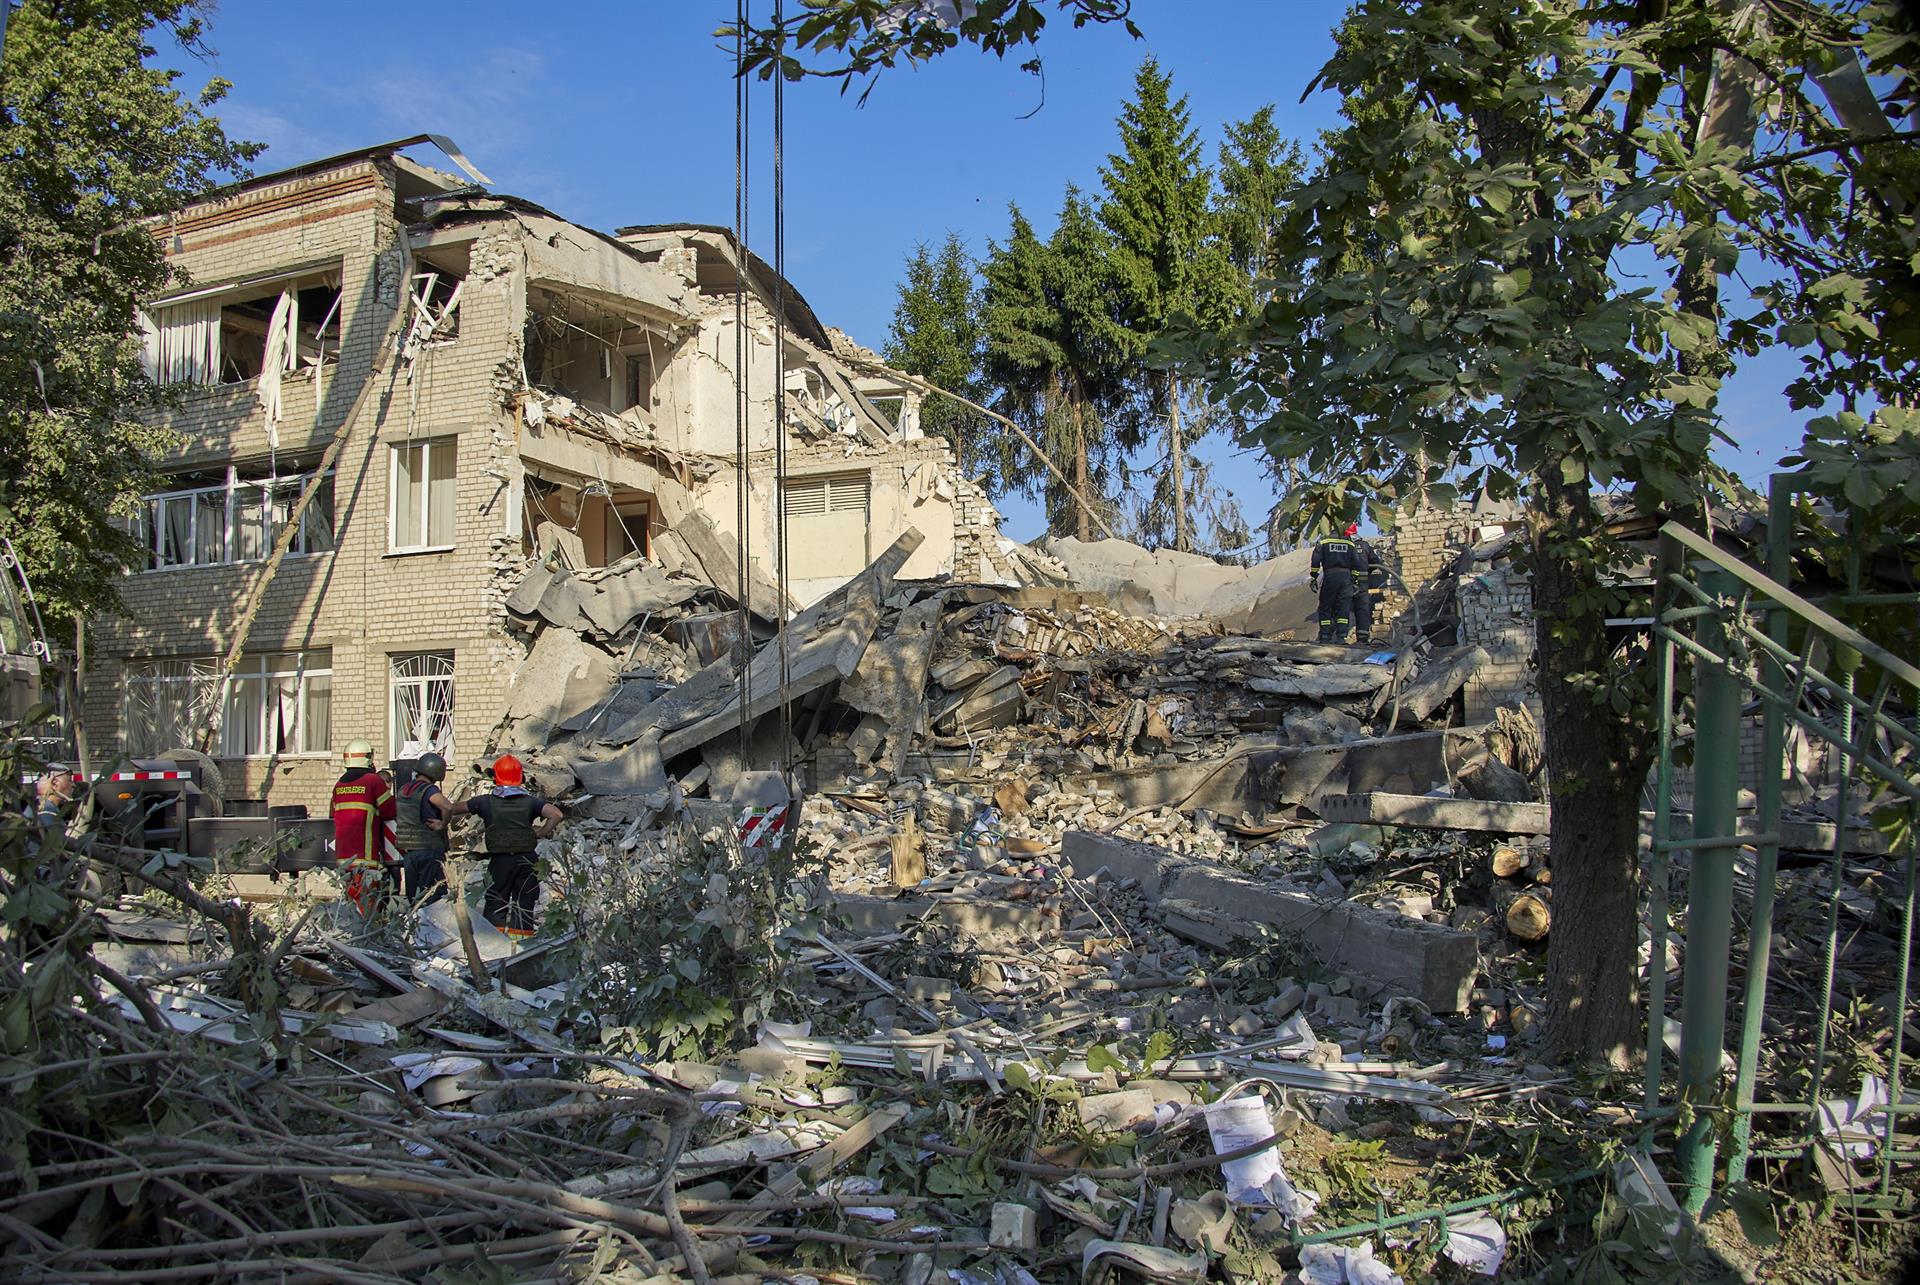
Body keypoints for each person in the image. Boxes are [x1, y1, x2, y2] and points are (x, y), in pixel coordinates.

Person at [466, 754, 563, 940]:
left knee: (496, 902)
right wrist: (541, 832)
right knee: (524, 904)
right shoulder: (531, 802)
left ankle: (492, 945)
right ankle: (521, 948)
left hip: (500, 862)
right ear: (521, 778)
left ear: (495, 777)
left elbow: (453, 808)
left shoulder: (484, 802)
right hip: (527, 860)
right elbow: (556, 814)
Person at [330, 739, 397, 917]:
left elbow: (332, 814)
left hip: (343, 857)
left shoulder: (339, 785)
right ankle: (369, 937)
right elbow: (390, 810)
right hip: (365, 856)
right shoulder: (373, 781)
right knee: (368, 904)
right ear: (367, 758)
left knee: (351, 901)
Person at [395, 752, 465, 905]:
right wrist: (442, 824)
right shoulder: (428, 790)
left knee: (415, 899)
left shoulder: (404, 790)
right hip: (429, 849)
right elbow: (447, 807)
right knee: (432, 897)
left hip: (409, 852)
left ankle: (416, 928)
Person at [1309, 522, 1362, 644]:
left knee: (1326, 606)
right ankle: (1341, 636)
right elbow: (1356, 563)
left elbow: (1315, 560)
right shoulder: (1350, 543)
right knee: (1343, 607)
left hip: (1330, 577)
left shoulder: (1323, 542)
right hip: (1346, 578)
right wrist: (1355, 580)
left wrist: (1313, 577)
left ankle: (1325, 636)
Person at [1355, 538, 1389, 644]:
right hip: (1363, 582)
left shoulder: (1345, 545)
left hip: (1346, 581)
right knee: (1363, 608)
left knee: (1343, 608)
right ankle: (1362, 637)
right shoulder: (1364, 545)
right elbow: (1375, 561)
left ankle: (1338, 637)